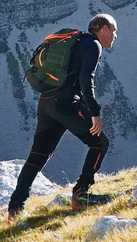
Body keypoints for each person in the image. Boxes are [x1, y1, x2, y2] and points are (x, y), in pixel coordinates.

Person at [8, 14, 118, 219]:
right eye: (114, 30)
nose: (115, 36)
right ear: (103, 29)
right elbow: (87, 80)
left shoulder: (76, 42)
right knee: (100, 143)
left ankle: (15, 208)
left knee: (37, 156)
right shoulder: (93, 45)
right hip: (66, 103)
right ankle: (81, 194)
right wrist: (95, 113)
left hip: (47, 102)